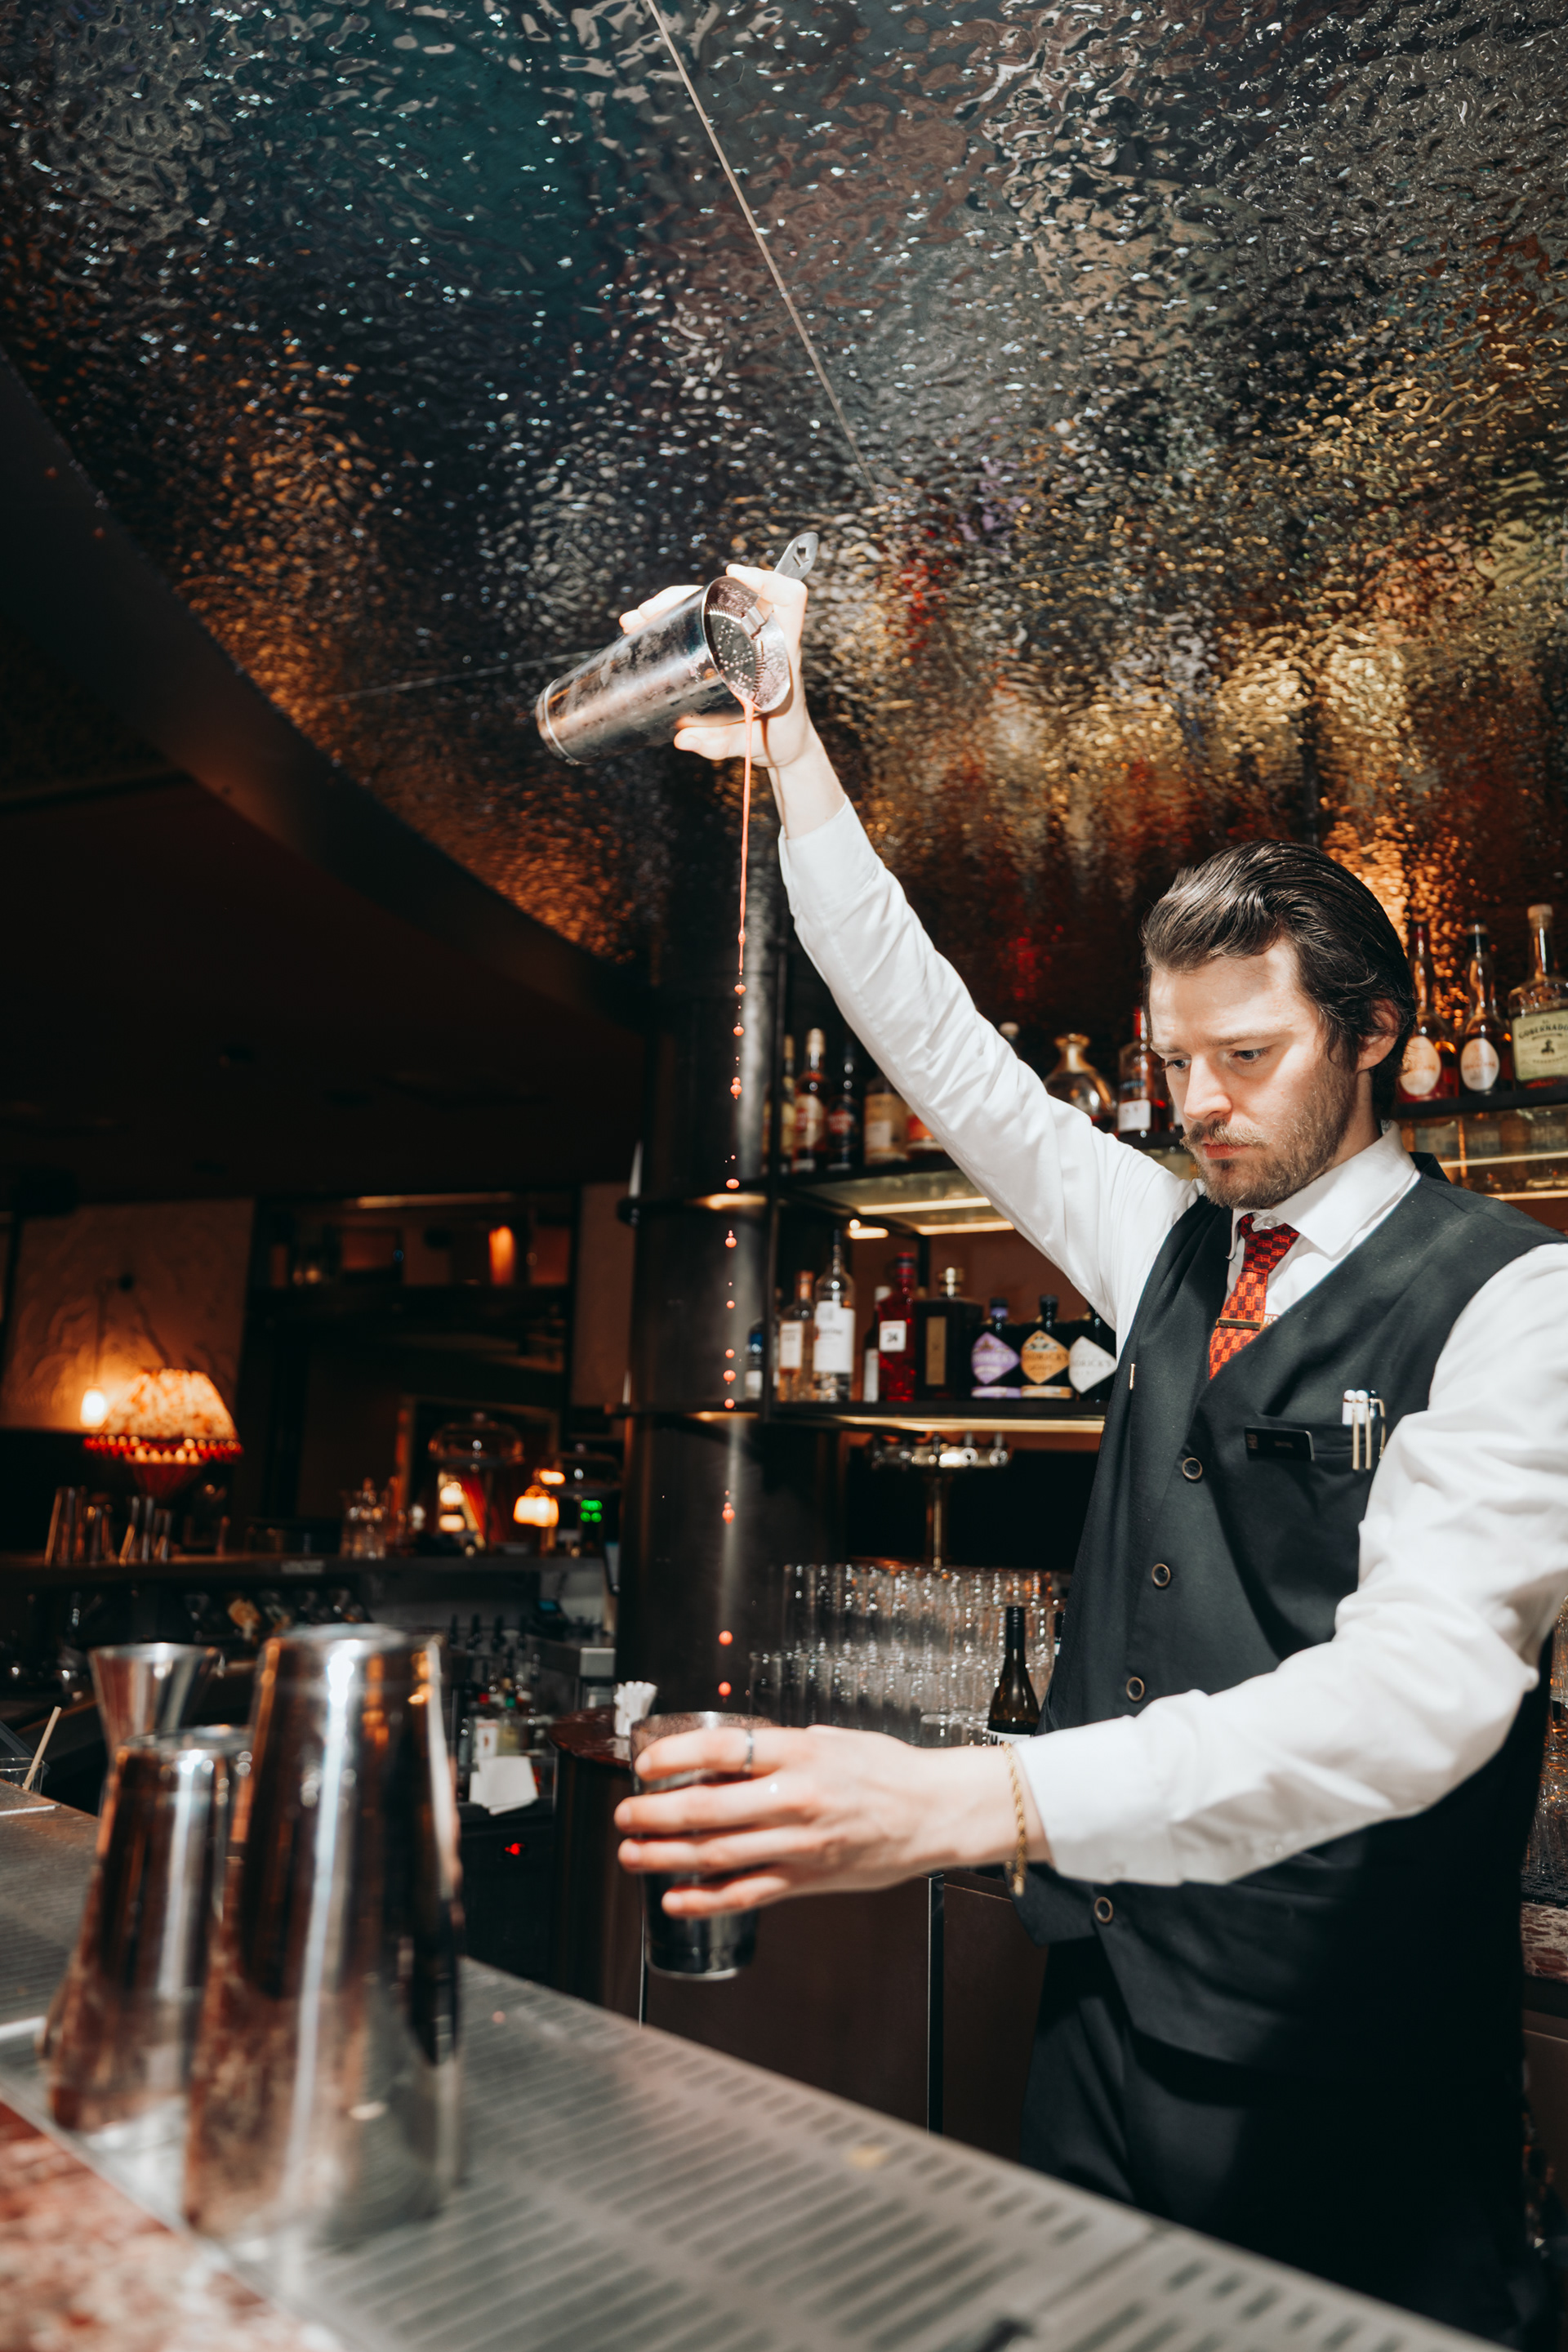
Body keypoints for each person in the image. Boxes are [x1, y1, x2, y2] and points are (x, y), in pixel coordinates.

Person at [613, 563, 1568, 2345]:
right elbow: (944, 1051)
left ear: (1374, 1034)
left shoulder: (1519, 1302)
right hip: (1102, 2011)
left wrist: (983, 1800)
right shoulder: (1166, 1242)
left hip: (1349, 2060)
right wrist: (796, 750)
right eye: (1173, 1060)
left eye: (1249, 1056)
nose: (1199, 1104)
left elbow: (1421, 1698)